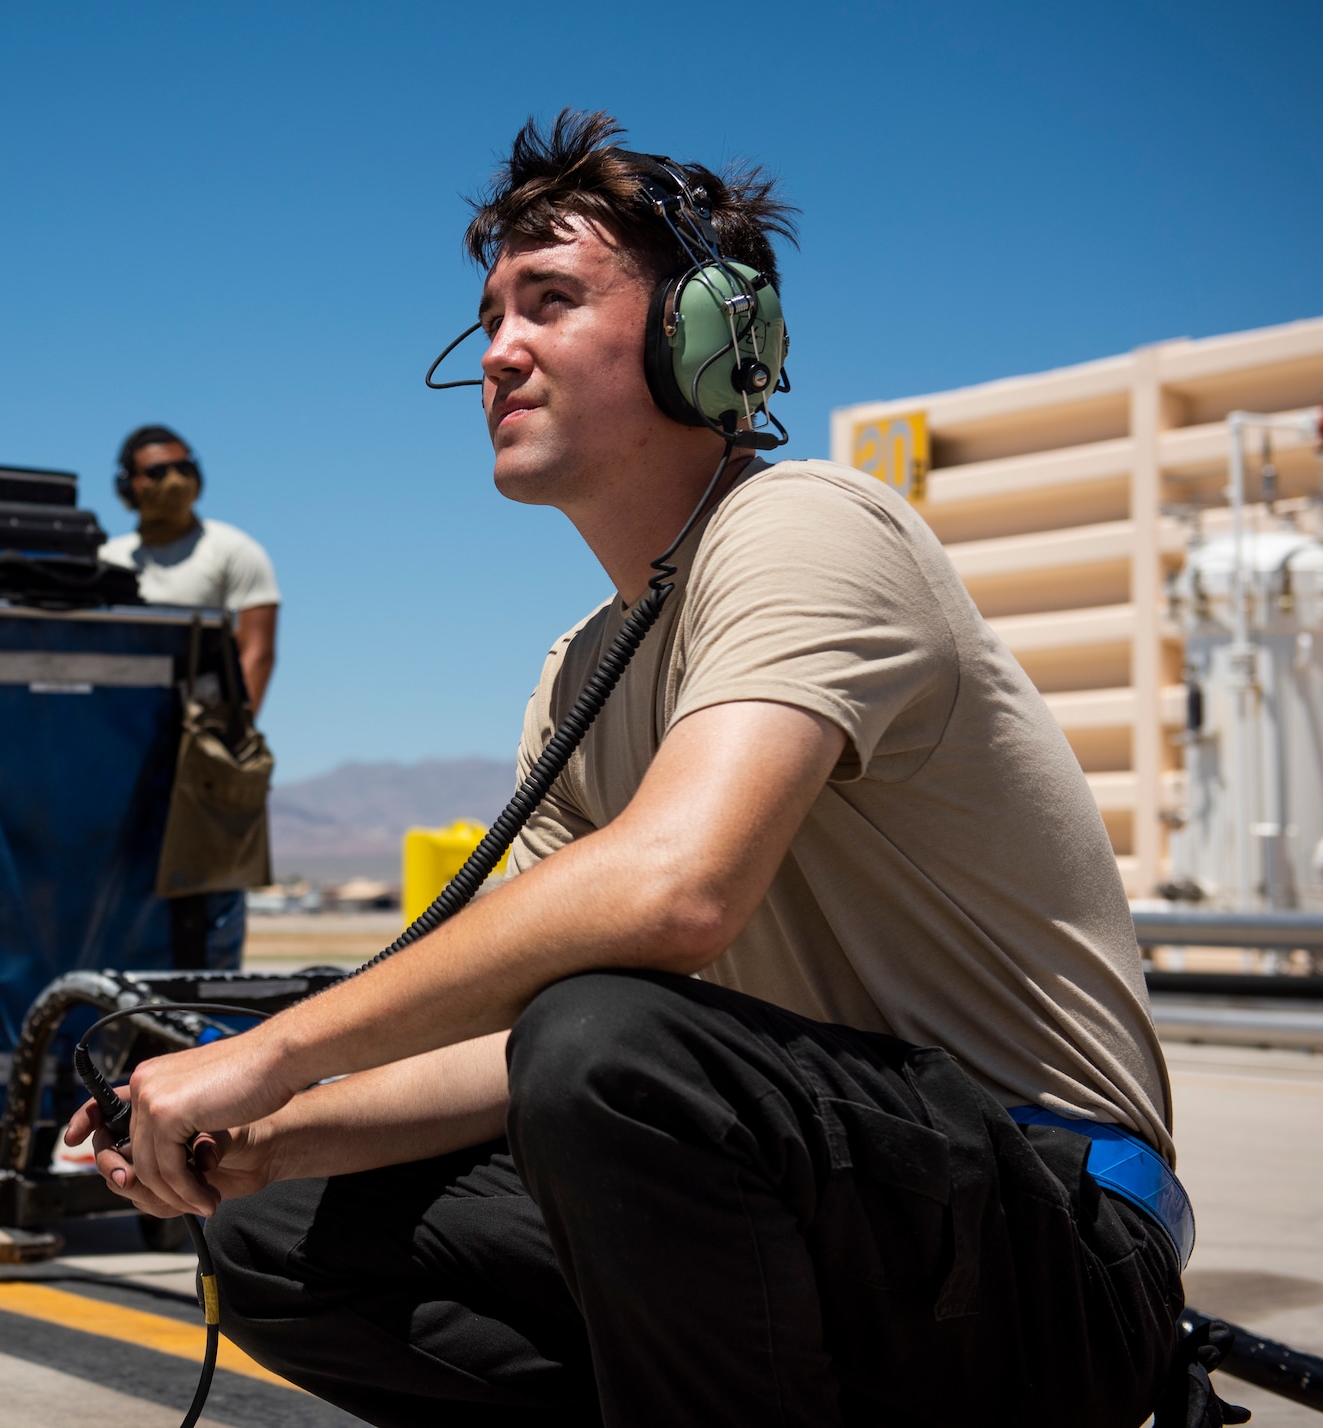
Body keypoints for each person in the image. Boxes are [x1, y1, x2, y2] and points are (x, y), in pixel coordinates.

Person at [69, 111, 1205, 1427]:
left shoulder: (809, 525)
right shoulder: (578, 672)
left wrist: (269, 1053)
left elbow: (677, 892)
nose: (499, 351)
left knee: (606, 1042)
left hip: (1048, 1239)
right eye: (490, 315)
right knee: (282, 1235)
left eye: (550, 301)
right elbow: (511, 1047)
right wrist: (251, 1143)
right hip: (827, 1213)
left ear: (710, 339)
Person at [101, 425, 280, 710]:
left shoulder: (234, 552)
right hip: (121, 721)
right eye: (157, 473)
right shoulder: (107, 561)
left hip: (200, 725)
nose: (174, 482)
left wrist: (235, 733)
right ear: (127, 485)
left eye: (183, 469)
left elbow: (257, 653)